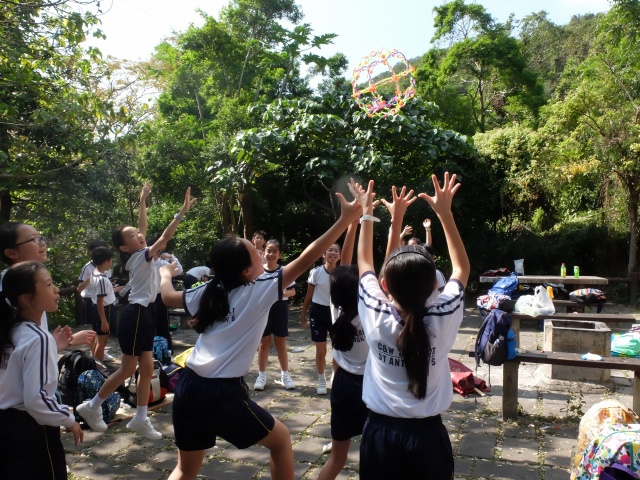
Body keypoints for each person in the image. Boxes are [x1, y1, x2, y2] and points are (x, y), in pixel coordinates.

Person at [157, 186, 361, 480]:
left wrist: (164, 274)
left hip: (188, 385)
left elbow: (167, 297)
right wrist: (344, 220)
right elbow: (308, 256)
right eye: (255, 252)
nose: (260, 252)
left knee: (184, 469)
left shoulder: (208, 290)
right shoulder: (259, 290)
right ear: (246, 270)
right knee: (281, 440)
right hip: (222, 393)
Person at [352, 174, 469, 479]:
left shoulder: (375, 311)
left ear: (385, 286)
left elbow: (364, 263)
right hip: (428, 438)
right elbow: (461, 268)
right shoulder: (444, 314)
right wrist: (445, 213)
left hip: (380, 435)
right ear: (434, 286)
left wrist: (368, 213)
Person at [76, 181, 196, 440]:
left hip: (146, 313)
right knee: (128, 369)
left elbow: (143, 229)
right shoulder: (141, 256)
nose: (140, 235)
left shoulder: (139, 252)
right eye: (132, 236)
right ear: (123, 247)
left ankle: (140, 418)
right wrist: (181, 212)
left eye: (138, 234)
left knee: (147, 366)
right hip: (136, 314)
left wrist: (142, 200)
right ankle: (92, 405)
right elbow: (164, 238)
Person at [0, 261, 83, 479]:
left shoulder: (12, 331)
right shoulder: (39, 337)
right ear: (27, 298)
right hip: (31, 431)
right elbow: (36, 399)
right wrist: (68, 420)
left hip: (6, 427)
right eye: (48, 284)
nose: (56, 289)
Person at [317, 220, 370, 480]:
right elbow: (352, 266)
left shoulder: (336, 307)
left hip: (342, 385)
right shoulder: (371, 313)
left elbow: (344, 266)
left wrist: (351, 224)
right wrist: (362, 222)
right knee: (372, 457)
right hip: (370, 387)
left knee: (337, 458)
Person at [0, 222, 96, 352]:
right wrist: (61, 342)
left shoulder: (24, 282)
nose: (42, 243)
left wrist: (57, 341)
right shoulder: (10, 288)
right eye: (33, 239)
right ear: (12, 253)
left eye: (40, 238)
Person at [253, 239, 296, 391]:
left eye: (275, 251)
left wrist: (281, 292)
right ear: (263, 253)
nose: (271, 254)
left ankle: (285, 375)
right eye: (268, 251)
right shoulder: (258, 271)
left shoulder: (284, 271)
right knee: (263, 343)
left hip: (280, 308)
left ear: (280, 254)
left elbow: (292, 291)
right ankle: (261, 375)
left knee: (280, 342)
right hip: (263, 309)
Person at [301, 242, 341, 395]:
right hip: (318, 313)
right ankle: (321, 379)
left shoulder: (341, 273)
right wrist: (303, 314)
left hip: (335, 313)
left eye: (336, 251)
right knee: (321, 350)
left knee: (337, 350)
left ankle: (335, 376)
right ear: (324, 254)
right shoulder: (316, 272)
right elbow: (309, 295)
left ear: (340, 255)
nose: (333, 253)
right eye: (330, 250)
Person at [89, 247, 118, 363]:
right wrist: (104, 320)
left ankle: (95, 364)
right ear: (106, 261)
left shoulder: (94, 274)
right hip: (104, 310)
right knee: (102, 341)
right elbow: (100, 300)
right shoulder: (101, 279)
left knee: (98, 339)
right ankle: (98, 366)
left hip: (97, 308)